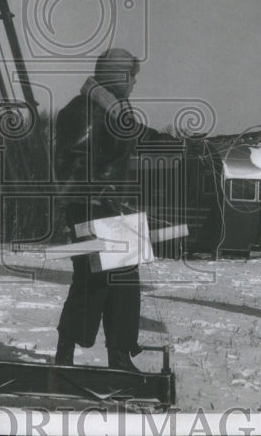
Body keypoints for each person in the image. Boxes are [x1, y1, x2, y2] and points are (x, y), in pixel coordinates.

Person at [53, 48, 176, 371]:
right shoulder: (82, 112)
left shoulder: (112, 110)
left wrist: (174, 143)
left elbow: (134, 136)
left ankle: (119, 356)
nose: (135, 83)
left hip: (111, 208)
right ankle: (65, 355)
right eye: (132, 76)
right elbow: (74, 163)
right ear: (118, 76)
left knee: (122, 283)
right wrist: (95, 203)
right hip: (91, 209)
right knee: (93, 281)